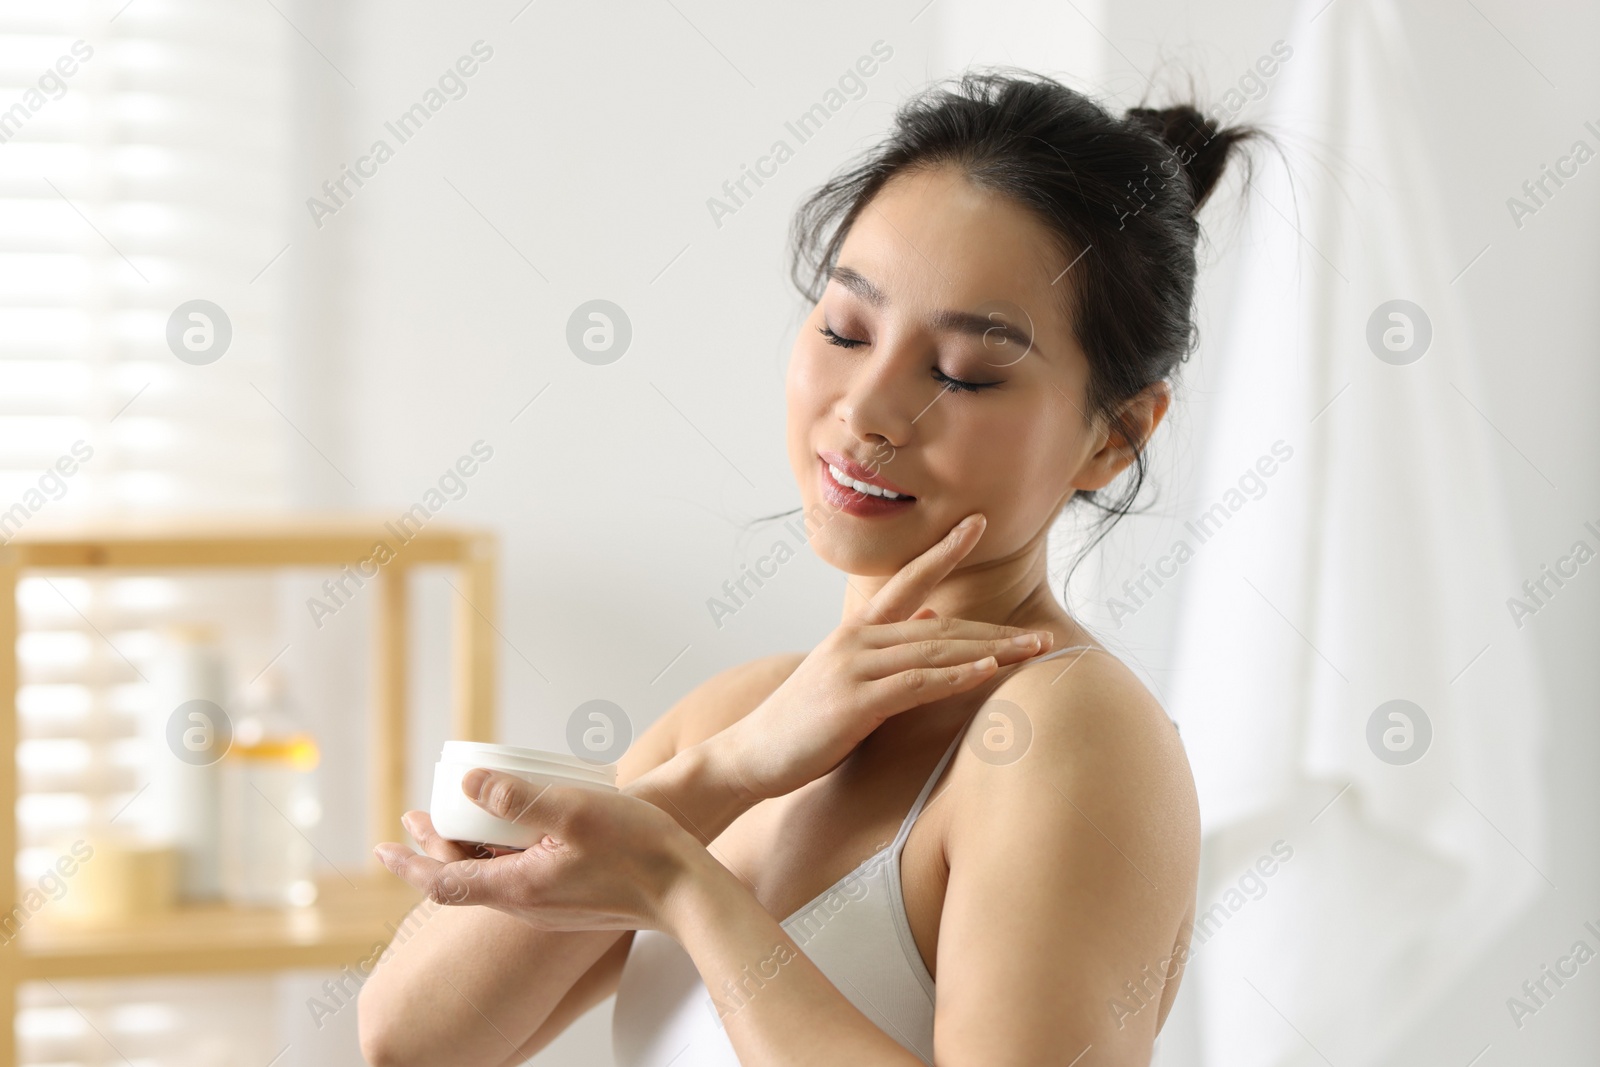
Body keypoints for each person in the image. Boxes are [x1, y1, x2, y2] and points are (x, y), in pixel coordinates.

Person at [360, 68, 1260, 1066]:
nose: (869, 408)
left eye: (963, 372)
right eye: (844, 327)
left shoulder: (1067, 732)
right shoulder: (739, 716)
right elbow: (410, 1040)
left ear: (1114, 436)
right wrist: (724, 774)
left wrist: (681, 884)